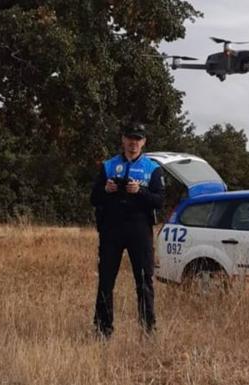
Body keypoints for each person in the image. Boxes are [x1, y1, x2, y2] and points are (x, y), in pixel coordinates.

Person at [90, 122, 164, 338]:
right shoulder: (108, 166)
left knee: (144, 280)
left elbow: (159, 201)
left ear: (144, 142)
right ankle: (103, 330)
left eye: (138, 139)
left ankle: (148, 330)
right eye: (130, 138)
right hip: (111, 229)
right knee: (105, 280)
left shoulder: (153, 168)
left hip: (139, 230)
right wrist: (106, 189)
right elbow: (94, 198)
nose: (133, 143)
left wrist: (139, 191)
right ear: (123, 139)